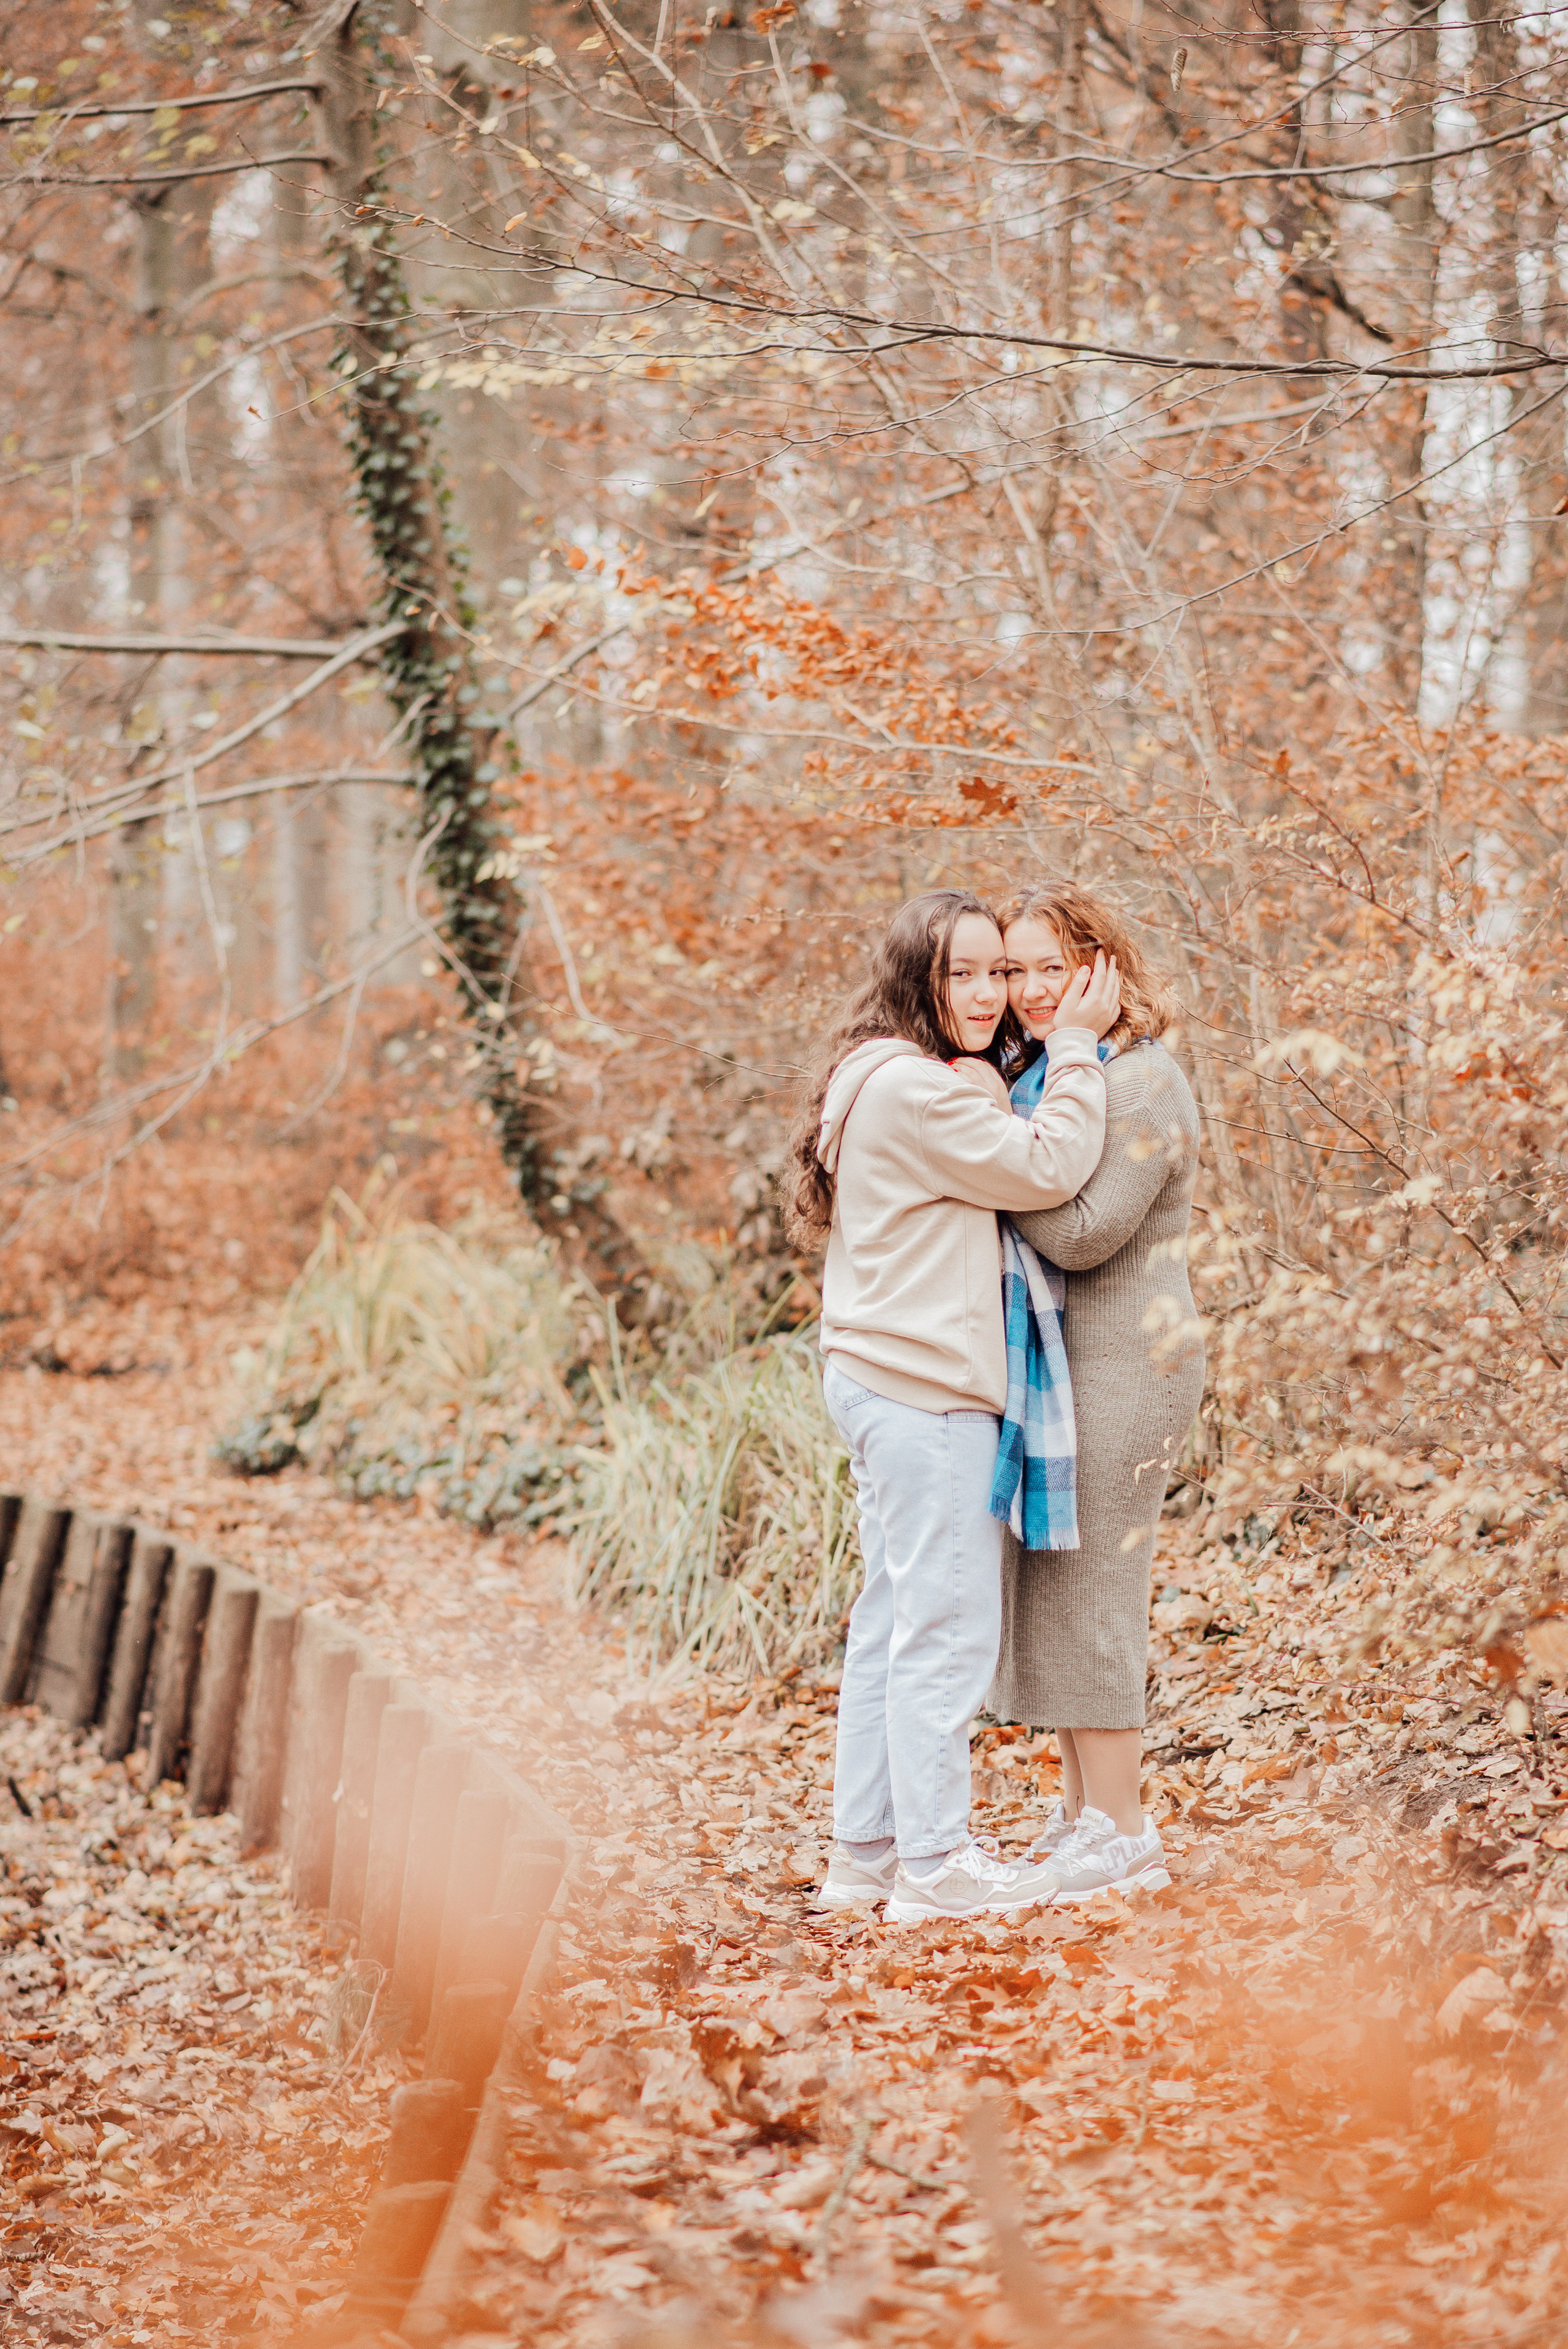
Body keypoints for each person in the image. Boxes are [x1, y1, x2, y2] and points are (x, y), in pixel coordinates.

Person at [784, 888, 1121, 1923]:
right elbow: (1050, 1164)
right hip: (926, 1391)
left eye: (994, 972)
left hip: (880, 1376)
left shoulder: (876, 1074)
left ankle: (867, 1857)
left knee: (892, 1624)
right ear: (915, 980)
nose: (985, 993)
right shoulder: (918, 1096)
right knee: (946, 1627)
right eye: (960, 973)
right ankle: (936, 1864)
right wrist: (1071, 1049)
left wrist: (981, 1074)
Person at [990, 882, 1205, 1901]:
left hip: (1133, 1363)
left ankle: (1124, 1833)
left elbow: (1081, 1232)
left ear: (1103, 965)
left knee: (1095, 1591)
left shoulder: (1144, 1080)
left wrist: (981, 1167)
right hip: (1073, 1367)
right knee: (1059, 1589)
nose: (1034, 990)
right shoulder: (1056, 1073)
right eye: (1016, 968)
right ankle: (1083, 1817)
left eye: (1054, 965)